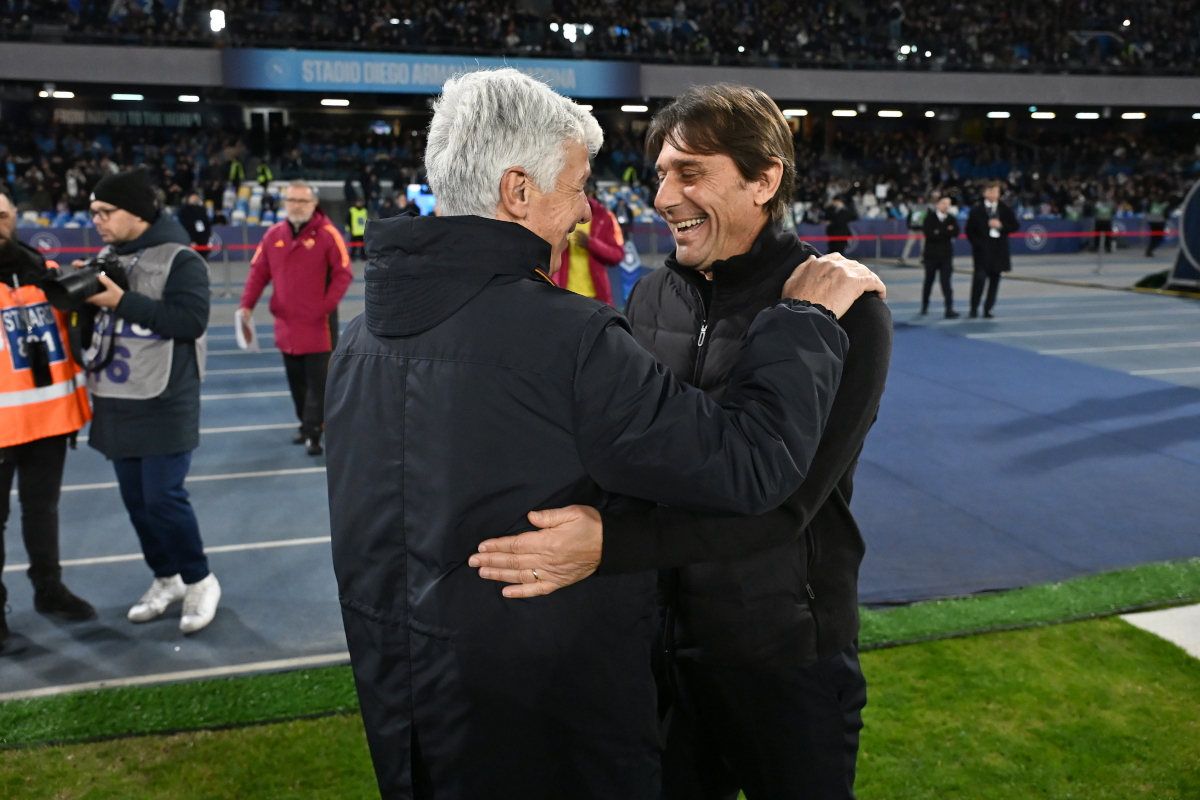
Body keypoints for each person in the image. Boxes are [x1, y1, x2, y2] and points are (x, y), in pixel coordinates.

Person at [324, 68, 884, 800]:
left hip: (779, 656)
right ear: (518, 191)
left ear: (764, 180)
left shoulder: (846, 308)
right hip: (653, 660)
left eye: (690, 172)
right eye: (659, 174)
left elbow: (783, 500)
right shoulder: (634, 306)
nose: (658, 197)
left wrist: (611, 546)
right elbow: (692, 464)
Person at [80, 169, 220, 634]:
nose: (97, 220)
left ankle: (199, 579)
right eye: (93, 212)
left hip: (165, 395)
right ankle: (166, 577)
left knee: (163, 499)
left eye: (106, 211)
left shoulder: (181, 259)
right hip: (116, 393)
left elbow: (190, 321)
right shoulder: (107, 256)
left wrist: (121, 301)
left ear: (137, 213)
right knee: (136, 502)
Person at [0, 189, 95, 651]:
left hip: (49, 419)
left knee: (43, 510)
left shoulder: (44, 272)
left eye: (2, 215)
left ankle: (49, 589)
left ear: (15, 217)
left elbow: (76, 333)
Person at [240, 180, 353, 455]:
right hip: (286, 326)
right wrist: (246, 306)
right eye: (292, 200)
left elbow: (344, 273)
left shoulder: (328, 234)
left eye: (303, 201)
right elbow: (258, 273)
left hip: (318, 326)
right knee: (296, 383)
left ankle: (314, 431)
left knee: (319, 383)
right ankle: (306, 424)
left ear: (314, 204)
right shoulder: (273, 235)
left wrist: (324, 307)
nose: (297, 206)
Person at [552, 182, 622, 305]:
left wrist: (591, 243)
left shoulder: (604, 217)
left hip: (596, 298)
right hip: (564, 296)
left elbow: (617, 255)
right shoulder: (556, 216)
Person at [965, 180, 1018, 318]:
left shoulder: (1005, 209)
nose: (994, 194)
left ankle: (988, 308)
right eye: (991, 191)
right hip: (982, 253)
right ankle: (973, 308)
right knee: (979, 280)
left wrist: (1001, 226)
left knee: (994, 282)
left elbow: (1015, 226)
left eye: (996, 192)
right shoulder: (977, 210)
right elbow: (969, 231)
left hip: (999, 251)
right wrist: (978, 244)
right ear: (984, 193)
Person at [921, 194, 961, 318]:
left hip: (946, 257)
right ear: (938, 204)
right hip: (931, 256)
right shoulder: (930, 218)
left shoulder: (951, 218)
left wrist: (939, 231)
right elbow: (929, 234)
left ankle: (949, 309)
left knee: (946, 283)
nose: (946, 206)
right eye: (944, 203)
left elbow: (956, 232)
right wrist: (946, 231)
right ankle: (924, 306)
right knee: (928, 282)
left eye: (948, 204)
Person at [176, 192, 212, 258]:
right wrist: (191, 240)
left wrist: (207, 238)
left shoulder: (201, 209)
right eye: (193, 196)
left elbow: (206, 224)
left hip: (202, 239)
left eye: (195, 196)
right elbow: (184, 226)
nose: (194, 198)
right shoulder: (184, 211)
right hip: (190, 239)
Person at [347, 196, 369, 261]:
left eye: (360, 202)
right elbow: (348, 220)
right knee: (354, 246)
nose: (359, 203)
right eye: (358, 202)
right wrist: (350, 228)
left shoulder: (364, 210)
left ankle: (363, 257)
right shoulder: (352, 210)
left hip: (362, 231)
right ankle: (353, 257)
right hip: (355, 231)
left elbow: (366, 220)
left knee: (363, 246)